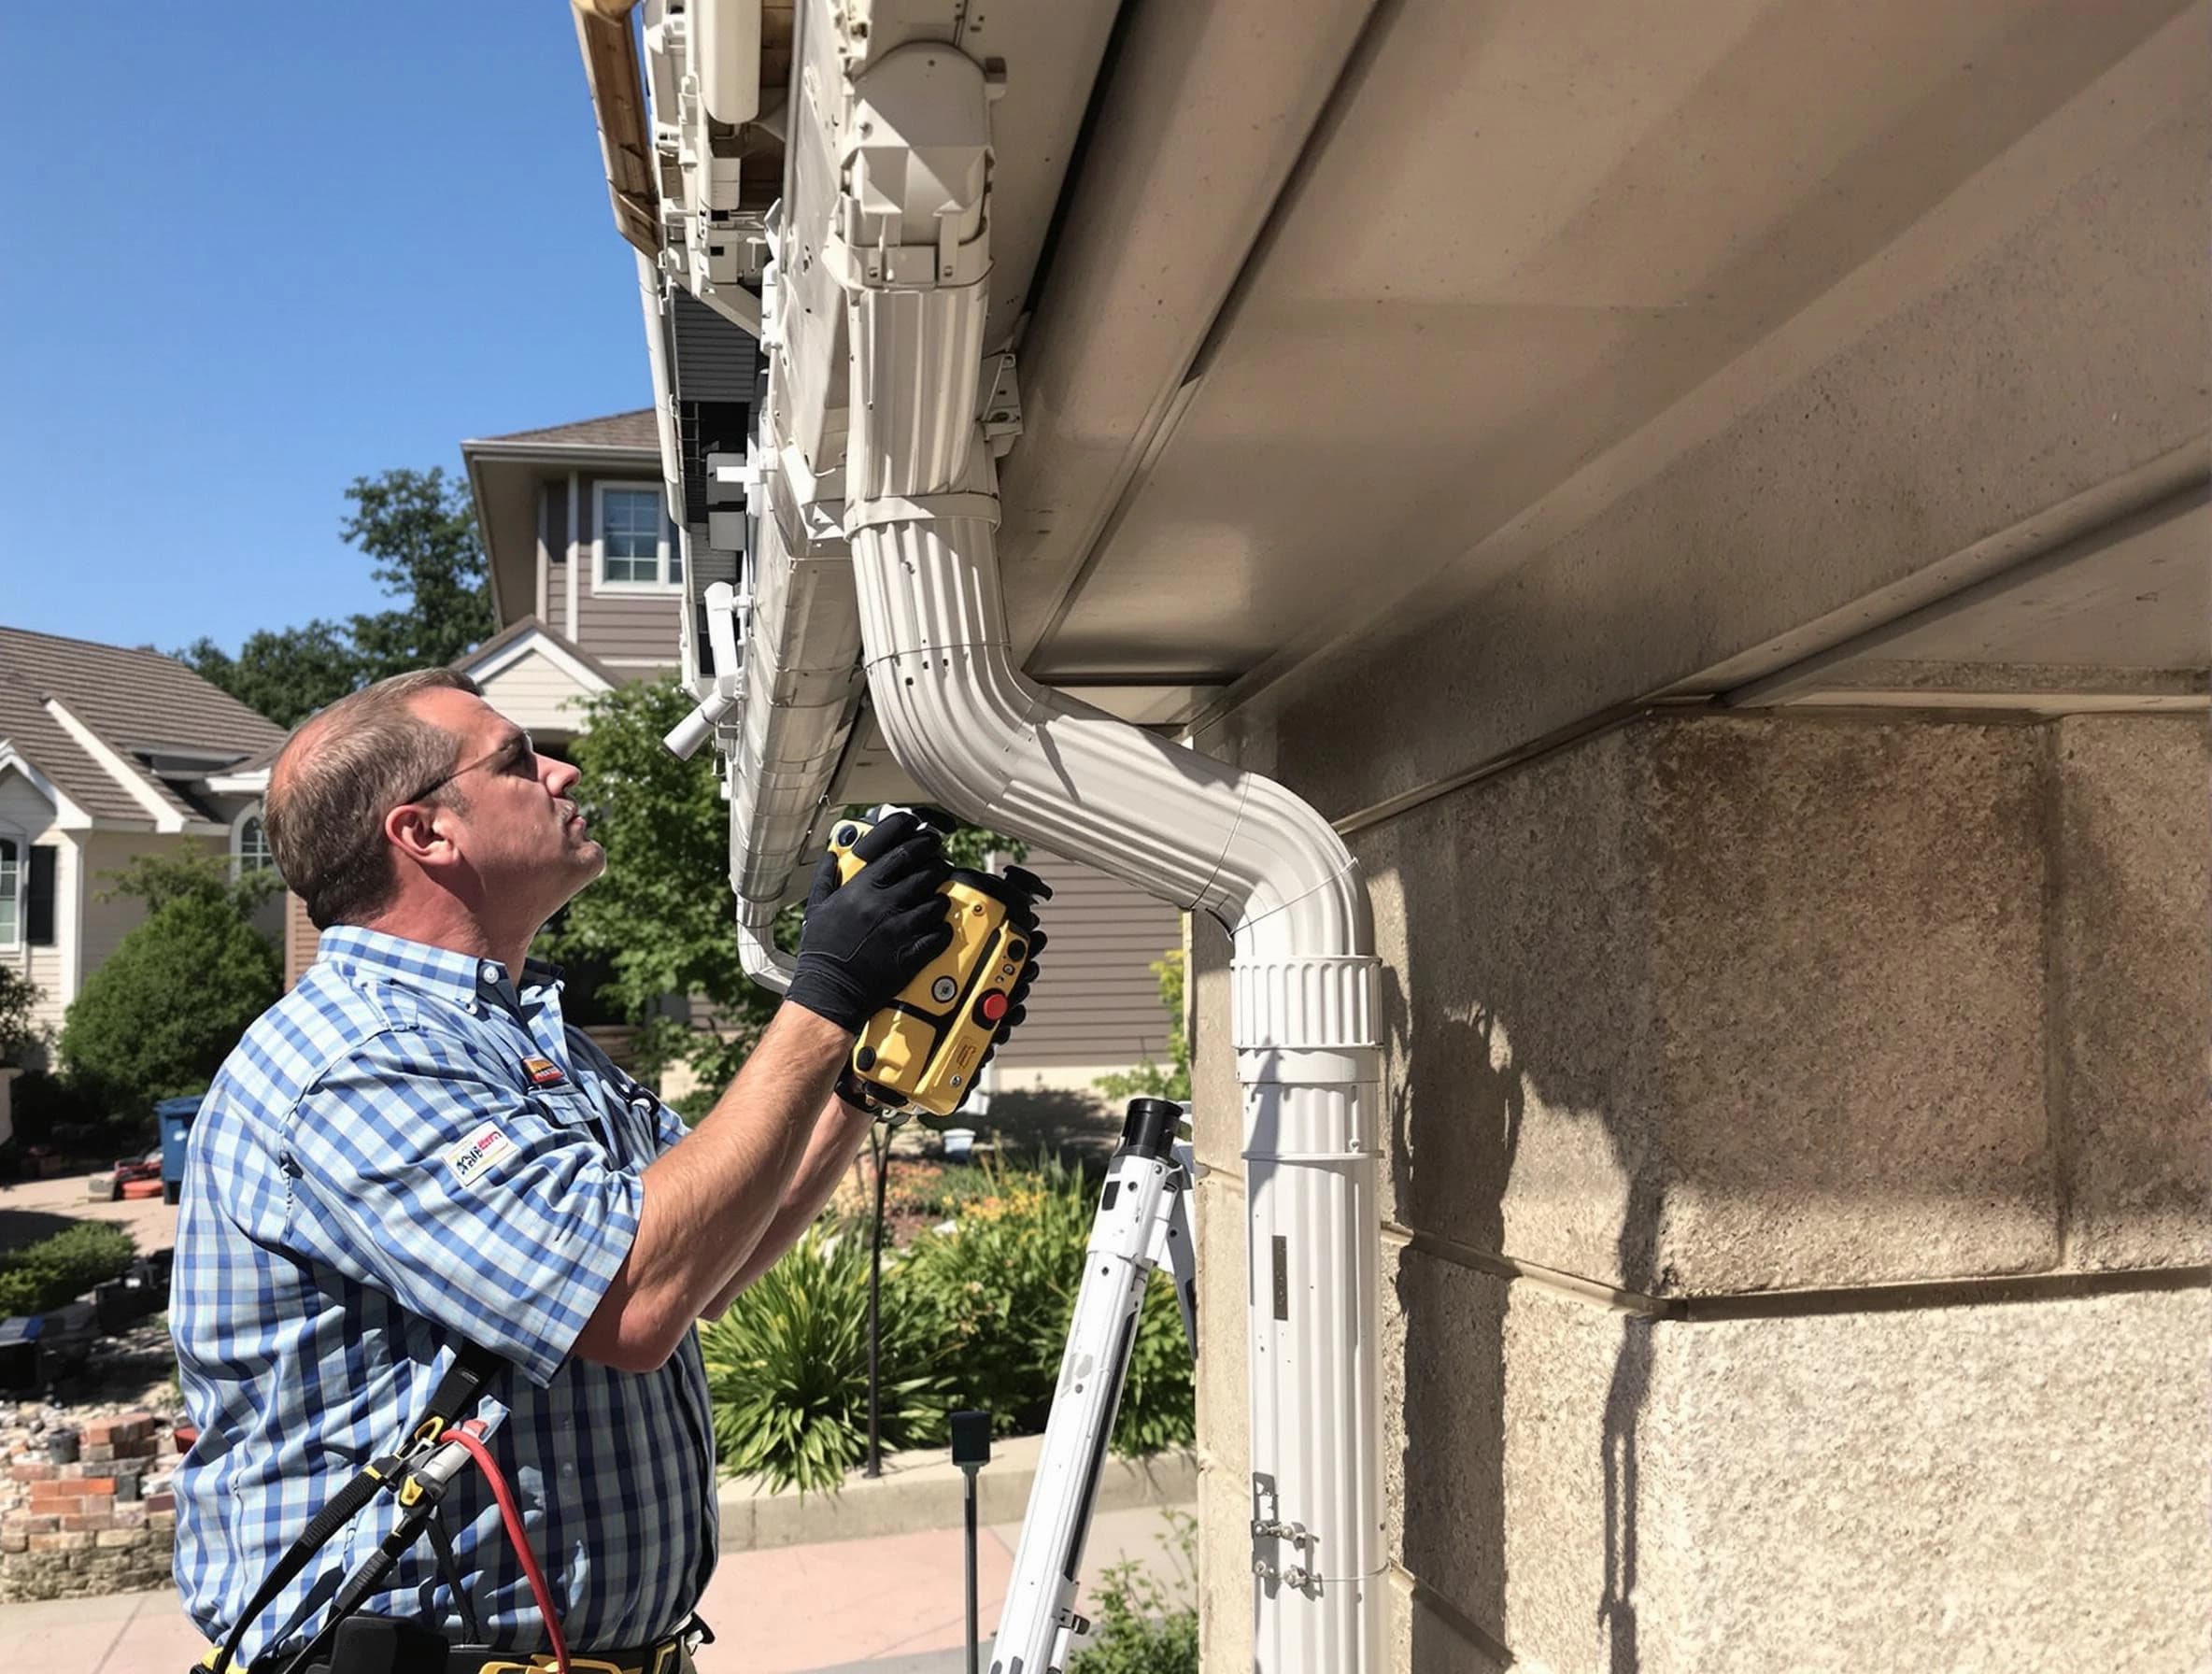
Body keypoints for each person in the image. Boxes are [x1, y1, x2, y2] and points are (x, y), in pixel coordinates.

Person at [173, 668, 1027, 1671]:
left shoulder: (525, 1039)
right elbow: (631, 1298)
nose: (562, 770)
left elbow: (708, 1257)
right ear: (424, 834)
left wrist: (869, 1074)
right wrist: (826, 993)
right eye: (515, 761)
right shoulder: (352, 1060)